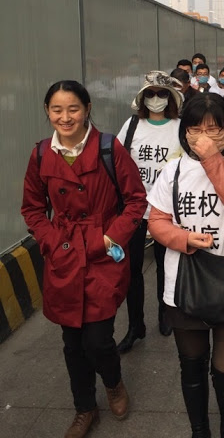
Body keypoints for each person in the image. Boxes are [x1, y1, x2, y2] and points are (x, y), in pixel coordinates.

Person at [21, 80, 147, 437]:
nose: (65, 117)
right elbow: (32, 208)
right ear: (47, 112)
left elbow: (136, 200)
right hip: (63, 256)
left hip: (102, 254)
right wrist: (50, 240)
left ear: (87, 109)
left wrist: (110, 238)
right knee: (72, 343)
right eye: (57, 110)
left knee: (98, 339)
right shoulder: (41, 154)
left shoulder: (109, 147)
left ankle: (113, 382)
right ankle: (84, 407)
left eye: (73, 109)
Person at [147, 94, 224, 438]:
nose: (203, 138)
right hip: (186, 281)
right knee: (192, 366)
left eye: (213, 130)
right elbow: (156, 222)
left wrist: (211, 159)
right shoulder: (173, 170)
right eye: (195, 130)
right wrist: (182, 238)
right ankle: (200, 430)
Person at [116, 71, 184, 353]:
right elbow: (117, 162)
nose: (156, 99)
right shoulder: (132, 125)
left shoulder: (180, 127)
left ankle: (165, 312)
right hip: (134, 207)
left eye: (162, 93)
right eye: (151, 94)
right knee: (132, 269)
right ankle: (135, 325)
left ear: (171, 98)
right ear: (143, 98)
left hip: (167, 209)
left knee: (165, 264)